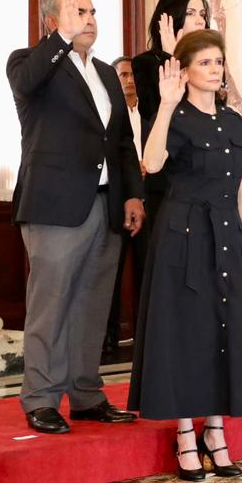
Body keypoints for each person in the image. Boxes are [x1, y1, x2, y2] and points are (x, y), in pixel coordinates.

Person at [8, 0, 144, 434]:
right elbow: (27, 84)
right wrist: (61, 40)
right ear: (52, 21)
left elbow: (121, 142)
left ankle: (86, 395)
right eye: (77, 11)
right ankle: (41, 399)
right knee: (50, 306)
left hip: (106, 205)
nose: (89, 19)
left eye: (91, 11)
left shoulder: (106, 73)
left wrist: (132, 194)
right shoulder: (28, 63)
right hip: (55, 207)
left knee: (92, 305)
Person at [128, 30, 242, 481]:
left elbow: (240, 189)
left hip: (226, 235)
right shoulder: (175, 116)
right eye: (204, 62)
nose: (215, 69)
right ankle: (185, 433)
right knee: (186, 333)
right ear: (183, 71)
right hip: (183, 236)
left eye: (218, 61)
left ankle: (215, 430)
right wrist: (165, 105)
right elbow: (152, 163)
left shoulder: (234, 122)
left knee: (224, 328)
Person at [131, 0, 211, 304]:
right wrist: (172, 59)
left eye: (202, 13)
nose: (199, 19)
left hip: (204, 182)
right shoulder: (147, 63)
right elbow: (158, 114)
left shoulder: (211, 64)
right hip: (167, 185)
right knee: (169, 279)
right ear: (171, 18)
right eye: (190, 13)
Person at [104, 56, 142, 358]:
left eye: (132, 75)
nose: (129, 80)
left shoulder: (151, 111)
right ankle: (107, 340)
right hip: (116, 202)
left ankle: (145, 337)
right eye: (123, 75)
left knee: (147, 273)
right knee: (109, 276)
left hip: (149, 201)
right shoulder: (109, 112)